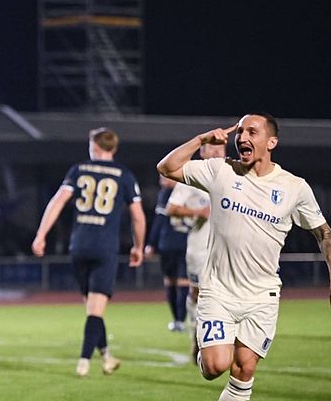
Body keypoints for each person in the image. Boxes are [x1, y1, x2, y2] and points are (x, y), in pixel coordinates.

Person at [157, 112, 331, 401]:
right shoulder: (221, 171)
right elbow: (167, 168)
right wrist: (202, 140)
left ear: (271, 142)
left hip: (262, 296)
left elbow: (324, 233)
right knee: (215, 367)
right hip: (218, 290)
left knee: (244, 367)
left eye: (252, 131)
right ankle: (205, 346)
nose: (242, 137)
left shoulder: (294, 187)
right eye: (240, 131)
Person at [32, 127, 146, 377]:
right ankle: (84, 361)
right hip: (105, 246)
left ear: (94, 147)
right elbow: (137, 216)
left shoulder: (78, 170)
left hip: (79, 245)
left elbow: (58, 201)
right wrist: (138, 247)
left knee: (92, 307)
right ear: (113, 148)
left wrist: (41, 235)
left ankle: (106, 356)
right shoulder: (123, 175)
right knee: (95, 310)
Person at [165, 139, 227, 356]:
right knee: (197, 292)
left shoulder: (233, 176)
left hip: (227, 249)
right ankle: (195, 334)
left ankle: (220, 340)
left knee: (225, 294)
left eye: (222, 148)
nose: (219, 151)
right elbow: (171, 208)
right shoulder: (191, 178)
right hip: (200, 247)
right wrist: (197, 212)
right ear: (202, 152)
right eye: (214, 148)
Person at [144, 175, 191, 332]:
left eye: (164, 177)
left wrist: (151, 243)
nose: (161, 181)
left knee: (182, 281)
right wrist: (151, 243)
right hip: (173, 243)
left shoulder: (181, 191)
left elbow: (159, 221)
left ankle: (180, 319)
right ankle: (178, 319)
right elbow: (159, 220)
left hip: (180, 242)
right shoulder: (166, 193)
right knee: (173, 281)